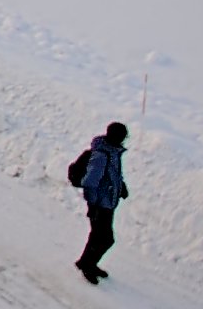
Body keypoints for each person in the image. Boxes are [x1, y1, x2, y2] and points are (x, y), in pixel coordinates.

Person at [76, 121, 129, 284]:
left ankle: (86, 262)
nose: (124, 139)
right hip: (100, 205)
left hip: (106, 203)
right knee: (104, 239)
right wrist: (93, 205)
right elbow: (90, 182)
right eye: (123, 136)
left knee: (99, 237)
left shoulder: (112, 152)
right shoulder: (102, 155)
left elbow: (112, 174)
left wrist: (121, 187)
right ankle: (87, 265)